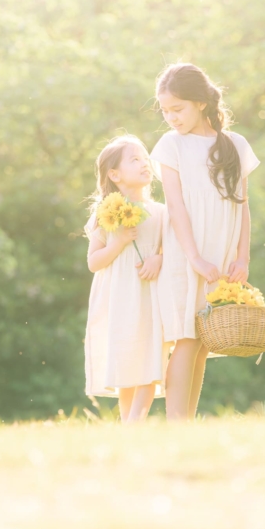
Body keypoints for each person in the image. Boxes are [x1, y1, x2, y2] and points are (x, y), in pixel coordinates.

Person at [151, 63, 260, 421]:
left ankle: (188, 423)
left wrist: (242, 257)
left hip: (222, 251)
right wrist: (194, 256)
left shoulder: (234, 146)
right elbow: (176, 206)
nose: (170, 117)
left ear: (200, 103)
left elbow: (242, 207)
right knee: (185, 337)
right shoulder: (171, 145)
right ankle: (175, 424)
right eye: (165, 110)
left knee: (202, 341)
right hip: (187, 250)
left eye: (177, 109)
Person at [84, 135, 167, 422]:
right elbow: (93, 262)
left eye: (145, 158)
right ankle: (127, 422)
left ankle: (135, 423)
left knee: (150, 355)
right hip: (120, 297)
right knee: (126, 356)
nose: (144, 163)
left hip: (149, 294)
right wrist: (117, 243)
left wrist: (159, 257)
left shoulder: (161, 213)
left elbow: (171, 250)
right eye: (135, 159)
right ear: (114, 175)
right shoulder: (104, 215)